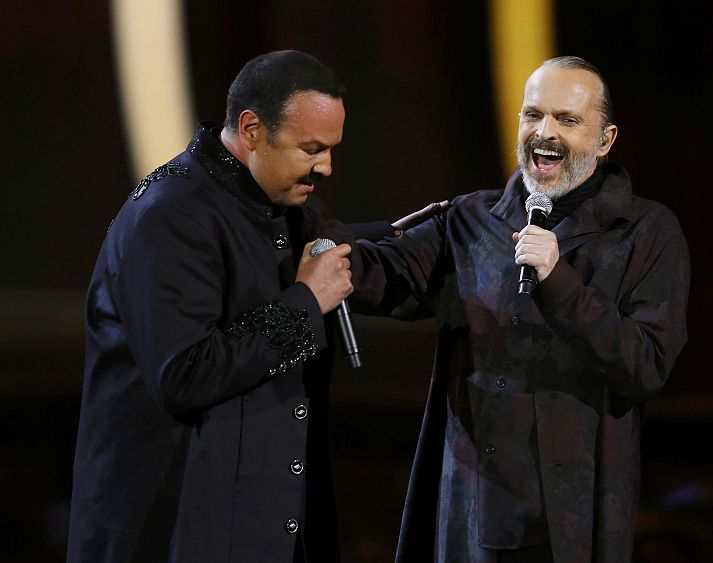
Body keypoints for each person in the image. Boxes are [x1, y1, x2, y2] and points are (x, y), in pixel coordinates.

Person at [67, 50, 440, 563]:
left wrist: (448, 230)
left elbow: (346, 258)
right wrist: (307, 302)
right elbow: (183, 375)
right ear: (251, 129)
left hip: (267, 529)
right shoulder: (169, 216)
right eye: (311, 148)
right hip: (179, 535)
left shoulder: (282, 200)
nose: (326, 166)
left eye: (331, 149)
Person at [351, 56, 690, 562]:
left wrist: (560, 282)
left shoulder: (646, 233)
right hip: (475, 505)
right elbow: (384, 276)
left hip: (572, 514)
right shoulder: (470, 220)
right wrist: (308, 236)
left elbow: (645, 365)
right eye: (533, 116)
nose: (544, 133)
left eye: (567, 120)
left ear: (605, 139)